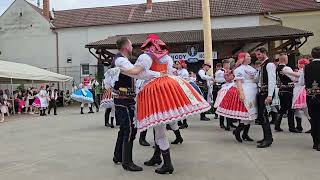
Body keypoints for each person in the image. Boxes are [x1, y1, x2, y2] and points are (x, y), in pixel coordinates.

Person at [120, 34, 210, 174]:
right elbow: (167, 73)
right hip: (166, 89)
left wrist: (121, 70)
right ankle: (157, 157)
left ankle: (168, 164)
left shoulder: (145, 57)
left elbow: (139, 74)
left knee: (159, 129)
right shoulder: (167, 57)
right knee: (159, 126)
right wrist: (157, 75)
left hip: (153, 91)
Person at [216, 53, 258, 142]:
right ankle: (238, 131)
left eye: (250, 56)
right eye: (248, 56)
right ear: (242, 58)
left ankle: (245, 134)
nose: (250, 57)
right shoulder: (239, 69)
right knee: (246, 114)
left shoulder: (252, 68)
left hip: (253, 91)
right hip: (245, 90)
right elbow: (238, 81)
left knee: (251, 115)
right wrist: (241, 93)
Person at [299, 47, 320, 151]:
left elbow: (301, 82)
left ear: (312, 55)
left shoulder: (306, 67)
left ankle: (315, 142)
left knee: (314, 119)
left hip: (310, 96)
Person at [255, 47, 276, 148]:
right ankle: (267, 137)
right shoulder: (263, 65)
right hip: (262, 92)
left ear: (264, 53)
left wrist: (270, 95)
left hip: (266, 93)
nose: (257, 57)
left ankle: (268, 139)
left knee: (263, 116)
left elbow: (272, 80)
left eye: (259, 54)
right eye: (256, 55)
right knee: (262, 116)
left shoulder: (270, 64)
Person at [274, 53, 301, 133]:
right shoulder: (287, 68)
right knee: (290, 109)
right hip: (288, 90)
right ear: (285, 60)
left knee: (282, 108)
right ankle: (291, 127)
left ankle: (277, 125)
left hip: (280, 90)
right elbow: (294, 78)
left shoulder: (276, 68)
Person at [285, 58, 311, 133]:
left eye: (301, 63)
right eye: (299, 63)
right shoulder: (301, 70)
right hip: (297, 91)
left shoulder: (304, 70)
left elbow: (299, 76)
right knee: (297, 110)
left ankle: (313, 126)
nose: (299, 65)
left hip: (301, 91)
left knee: (306, 110)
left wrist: (287, 72)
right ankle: (299, 127)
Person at [214, 59, 237, 131]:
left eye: (229, 64)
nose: (228, 66)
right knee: (223, 105)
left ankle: (229, 123)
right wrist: (227, 78)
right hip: (223, 88)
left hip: (230, 88)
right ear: (224, 65)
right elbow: (217, 80)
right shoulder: (220, 72)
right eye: (227, 64)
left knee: (229, 106)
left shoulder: (231, 71)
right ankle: (222, 123)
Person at [175, 60, 189, 129]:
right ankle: (179, 121)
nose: (176, 65)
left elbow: (184, 81)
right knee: (178, 106)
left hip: (183, 90)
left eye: (178, 64)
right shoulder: (177, 71)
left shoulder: (184, 71)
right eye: (176, 64)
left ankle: (184, 122)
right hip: (177, 89)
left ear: (181, 64)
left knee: (183, 106)